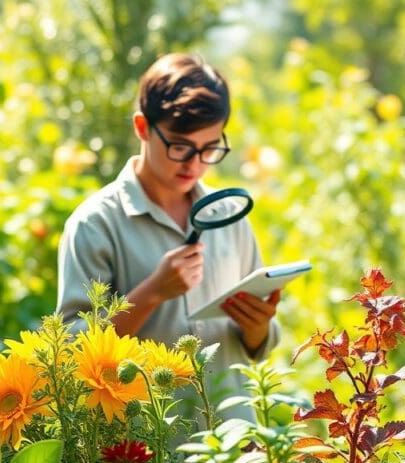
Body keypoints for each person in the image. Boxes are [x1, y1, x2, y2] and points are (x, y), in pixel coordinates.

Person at [56, 52, 281, 422]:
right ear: (143, 127)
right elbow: (70, 353)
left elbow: (260, 344)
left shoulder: (228, 216)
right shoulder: (95, 224)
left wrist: (257, 325)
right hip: (145, 452)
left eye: (210, 149)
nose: (194, 164)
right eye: (180, 147)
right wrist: (152, 293)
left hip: (232, 446)